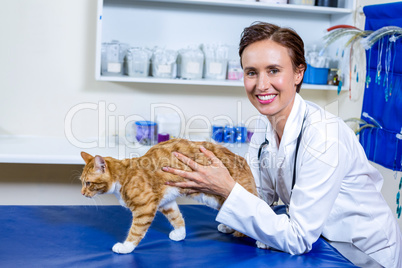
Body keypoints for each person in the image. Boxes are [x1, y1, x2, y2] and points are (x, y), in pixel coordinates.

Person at [162, 22, 402, 268]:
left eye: (274, 70)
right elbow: (259, 196)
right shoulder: (265, 127)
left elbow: (297, 238)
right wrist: (207, 184)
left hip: (361, 253)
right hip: (322, 240)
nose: (262, 85)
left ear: (299, 73)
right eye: (251, 72)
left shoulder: (324, 136)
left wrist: (226, 188)